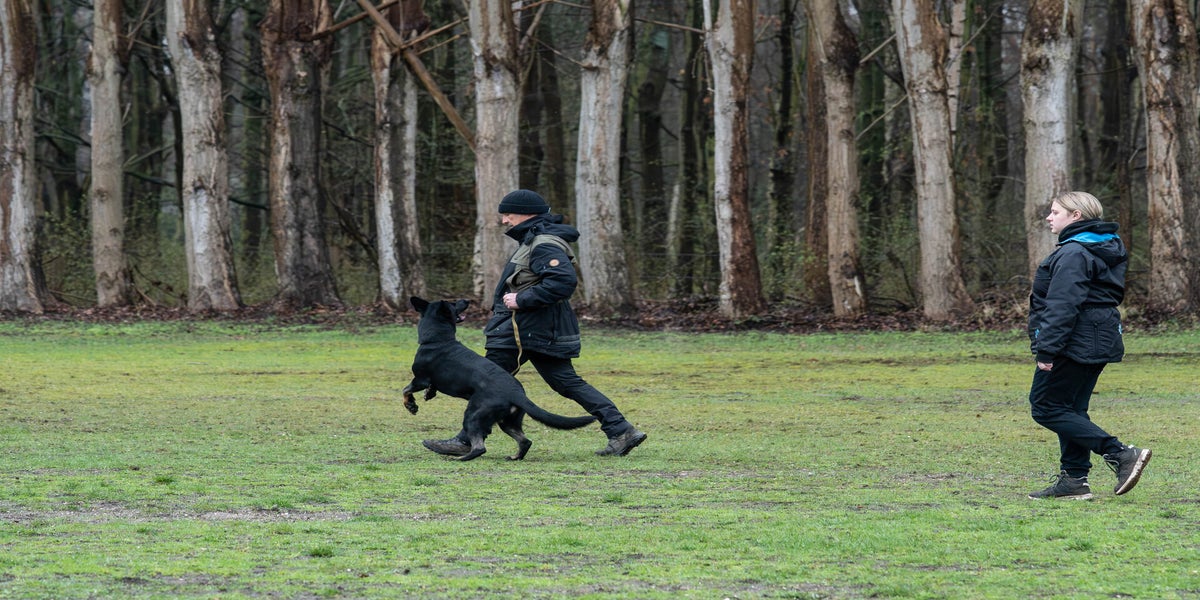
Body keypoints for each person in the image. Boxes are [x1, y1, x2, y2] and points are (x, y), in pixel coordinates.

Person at [423, 189, 647, 457]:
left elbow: (562, 281)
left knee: (486, 380)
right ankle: (621, 430)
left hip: (525, 329)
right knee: (566, 382)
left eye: (508, 214)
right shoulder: (535, 240)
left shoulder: (543, 244)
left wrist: (522, 299)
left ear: (527, 214)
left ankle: (467, 440)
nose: (505, 220)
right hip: (537, 329)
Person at [1026, 191, 1151, 500]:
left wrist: (1047, 349)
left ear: (1076, 216)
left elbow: (1062, 305)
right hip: (1099, 337)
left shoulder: (1074, 253)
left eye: (1055, 212)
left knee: (1045, 406)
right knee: (1071, 409)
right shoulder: (1102, 247)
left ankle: (1120, 452)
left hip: (1074, 341)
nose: (1049, 217)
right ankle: (1074, 480)